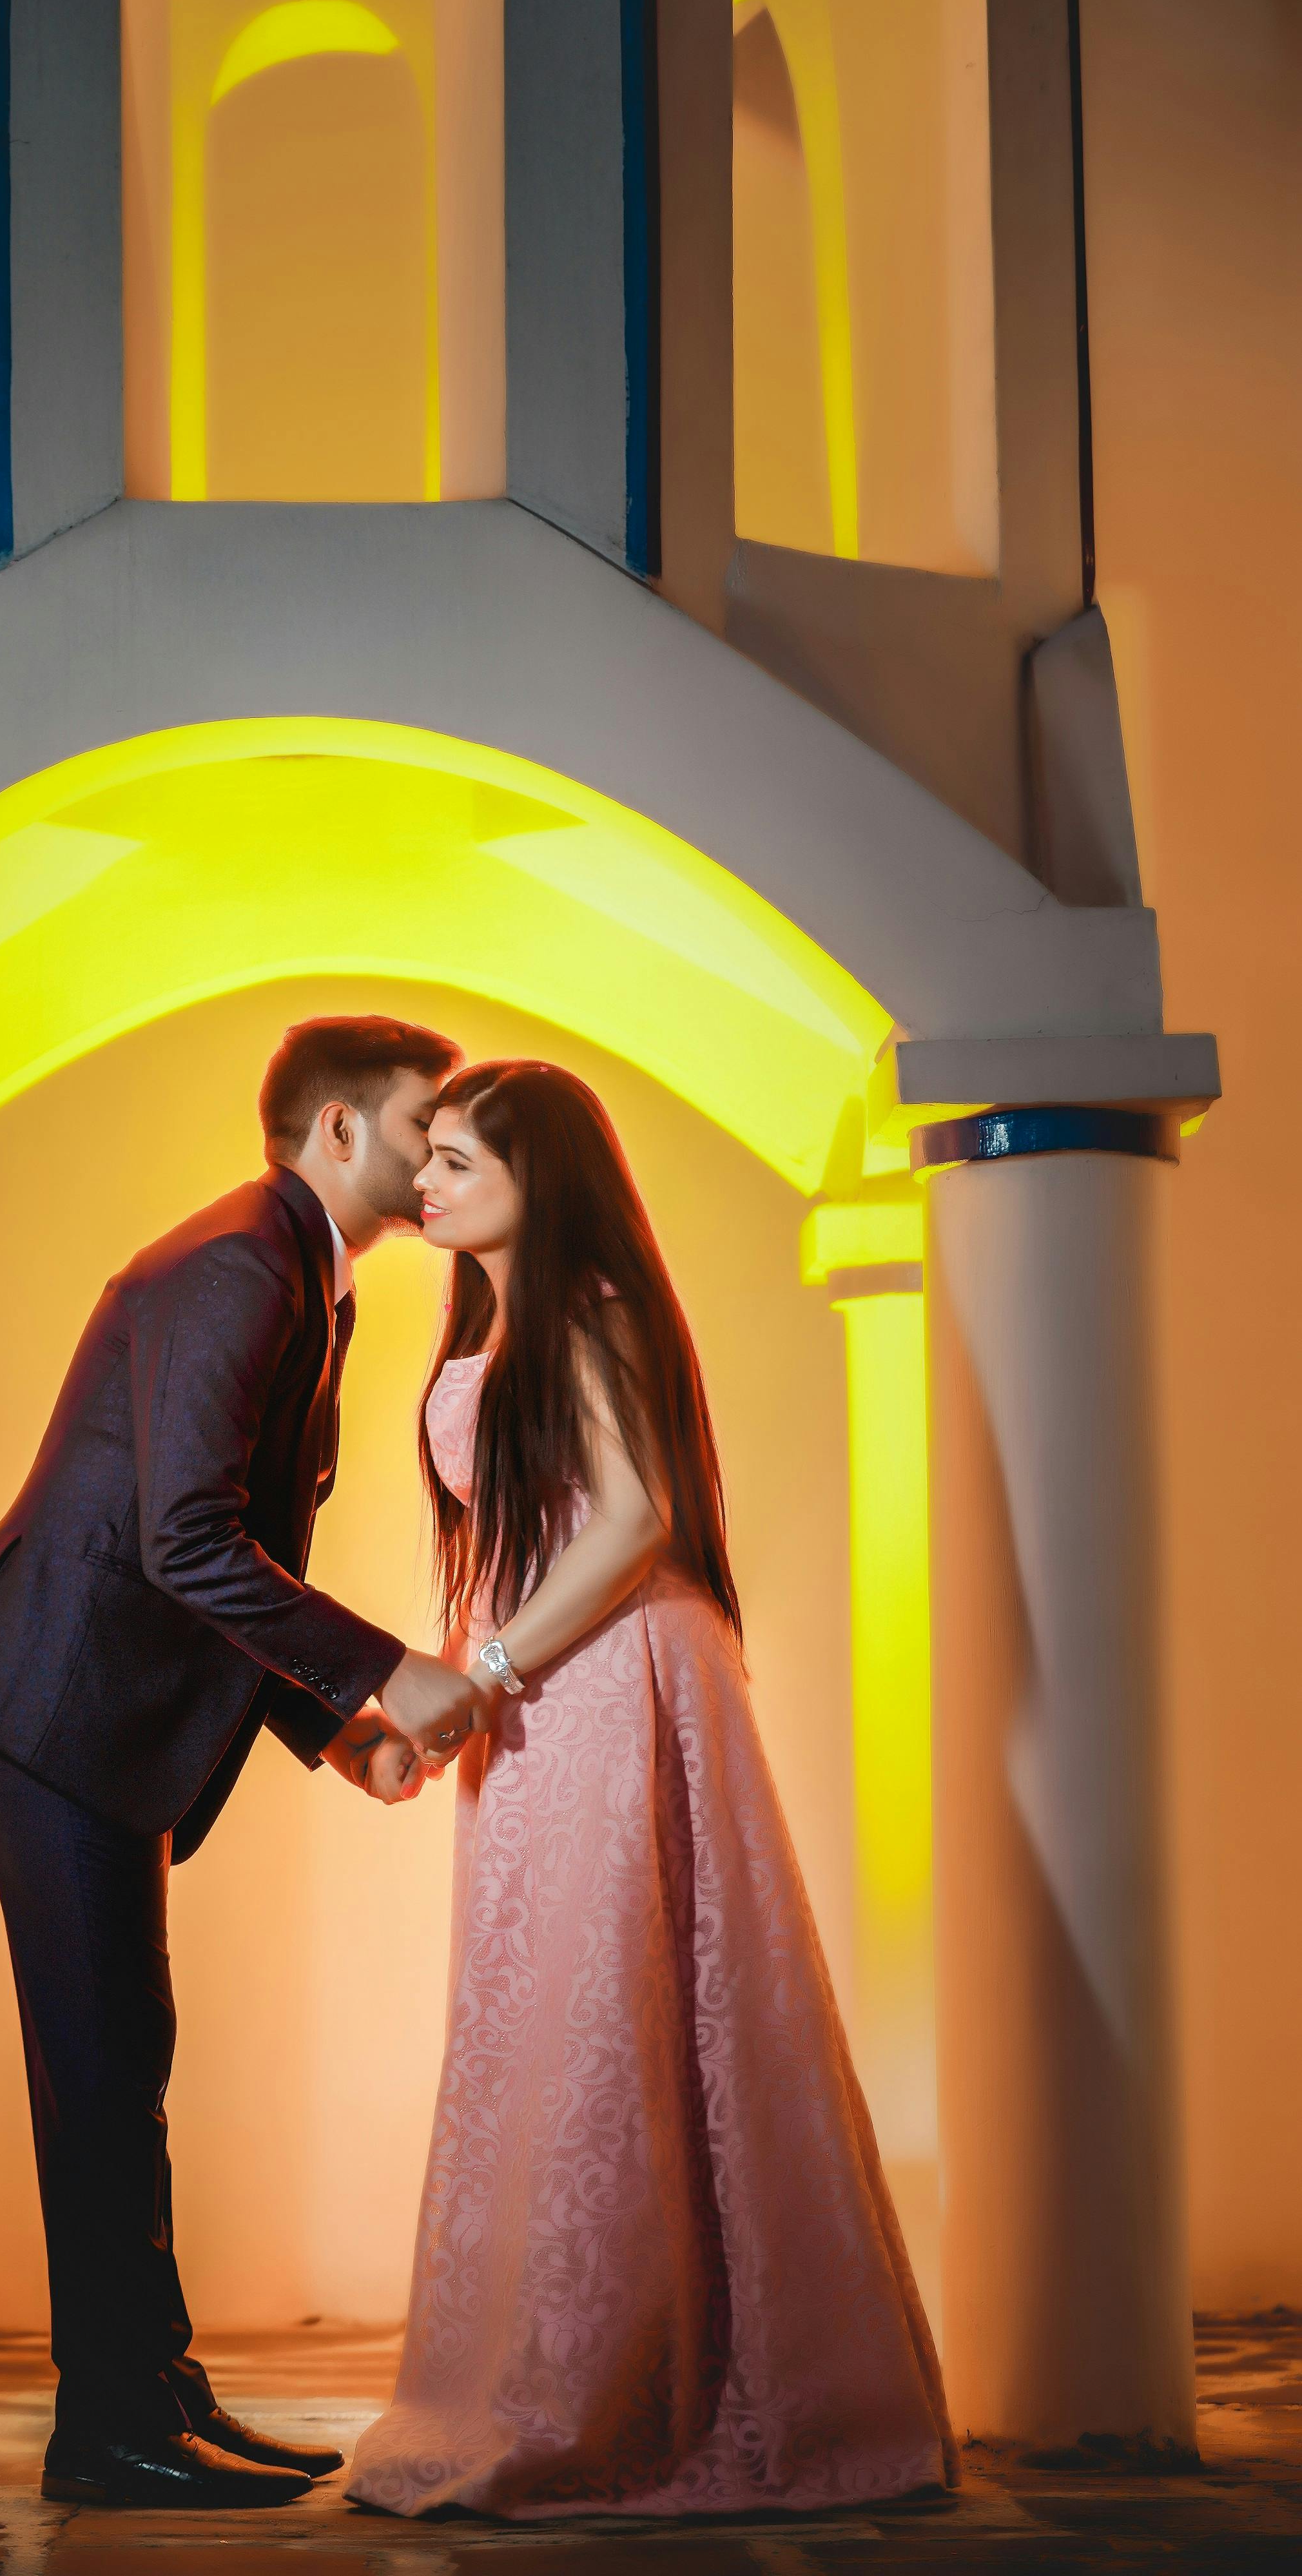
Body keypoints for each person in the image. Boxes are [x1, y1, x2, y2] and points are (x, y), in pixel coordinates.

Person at [349, 1059, 957, 2521]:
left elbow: (632, 1517)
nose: (425, 1181)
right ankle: (561, 2363)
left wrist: (476, 1681)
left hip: (617, 1686)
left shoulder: (588, 1309)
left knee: (625, 2013)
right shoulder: (508, 1320)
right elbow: (525, 1547)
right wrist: (431, 1709)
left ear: (537, 1176)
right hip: (551, 1691)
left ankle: (635, 2388)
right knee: (565, 2015)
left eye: (457, 1160)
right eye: (424, 1157)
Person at [0, 1015, 485, 2512]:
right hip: (52, 1700)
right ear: (340, 1131)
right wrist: (384, 1669)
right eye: (426, 1120)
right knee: (100, 2061)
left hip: (93, 1702)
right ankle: (106, 2425)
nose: (443, 1148)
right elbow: (185, 1541)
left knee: (126, 2051)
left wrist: (328, 1726)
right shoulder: (246, 1260)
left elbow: (223, 1543)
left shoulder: (302, 1269)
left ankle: (155, 2387)